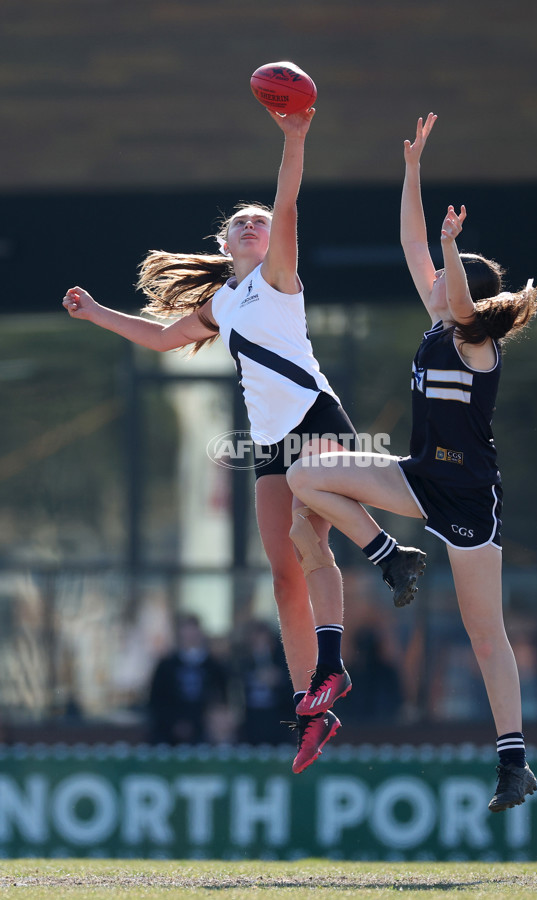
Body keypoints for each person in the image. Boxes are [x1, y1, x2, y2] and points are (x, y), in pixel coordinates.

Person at [62, 106, 425, 772]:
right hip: (268, 443)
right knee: (286, 575)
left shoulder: (277, 276)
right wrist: (96, 314)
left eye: (257, 221)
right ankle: (311, 709)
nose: (254, 224)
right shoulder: (223, 303)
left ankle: (381, 568)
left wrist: (295, 138)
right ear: (225, 243)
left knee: (315, 540)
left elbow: (287, 201)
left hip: (316, 418)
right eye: (241, 222)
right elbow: (161, 336)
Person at [287, 113, 537, 812]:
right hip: (419, 474)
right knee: (307, 473)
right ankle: (389, 557)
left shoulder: (474, 344)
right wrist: (412, 170)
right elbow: (409, 241)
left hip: (467, 497)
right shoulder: (437, 324)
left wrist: (454, 249)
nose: (430, 277)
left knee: (485, 633)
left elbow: (459, 295)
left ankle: (513, 762)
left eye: (444, 275)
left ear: (466, 295)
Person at [148, 613, 230, 744]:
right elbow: (156, 700)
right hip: (169, 735)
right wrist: (174, 723)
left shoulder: (213, 666)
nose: (190, 635)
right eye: (186, 630)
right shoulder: (166, 666)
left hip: (205, 735)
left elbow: (221, 700)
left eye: (193, 630)